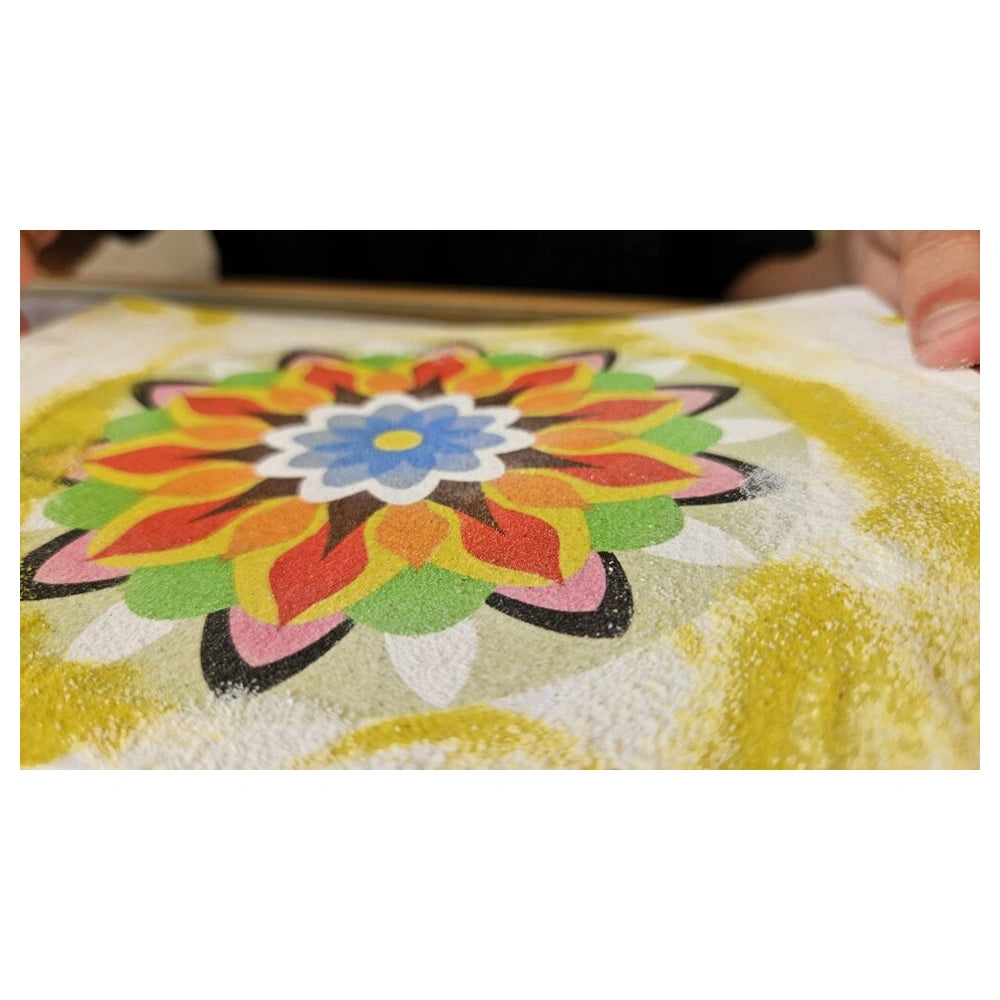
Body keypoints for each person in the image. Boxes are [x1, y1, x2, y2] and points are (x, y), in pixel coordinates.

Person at [20, 230, 979, 368]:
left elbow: (769, 269)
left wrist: (867, 259)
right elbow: (65, 247)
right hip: (241, 364)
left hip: (654, 350)